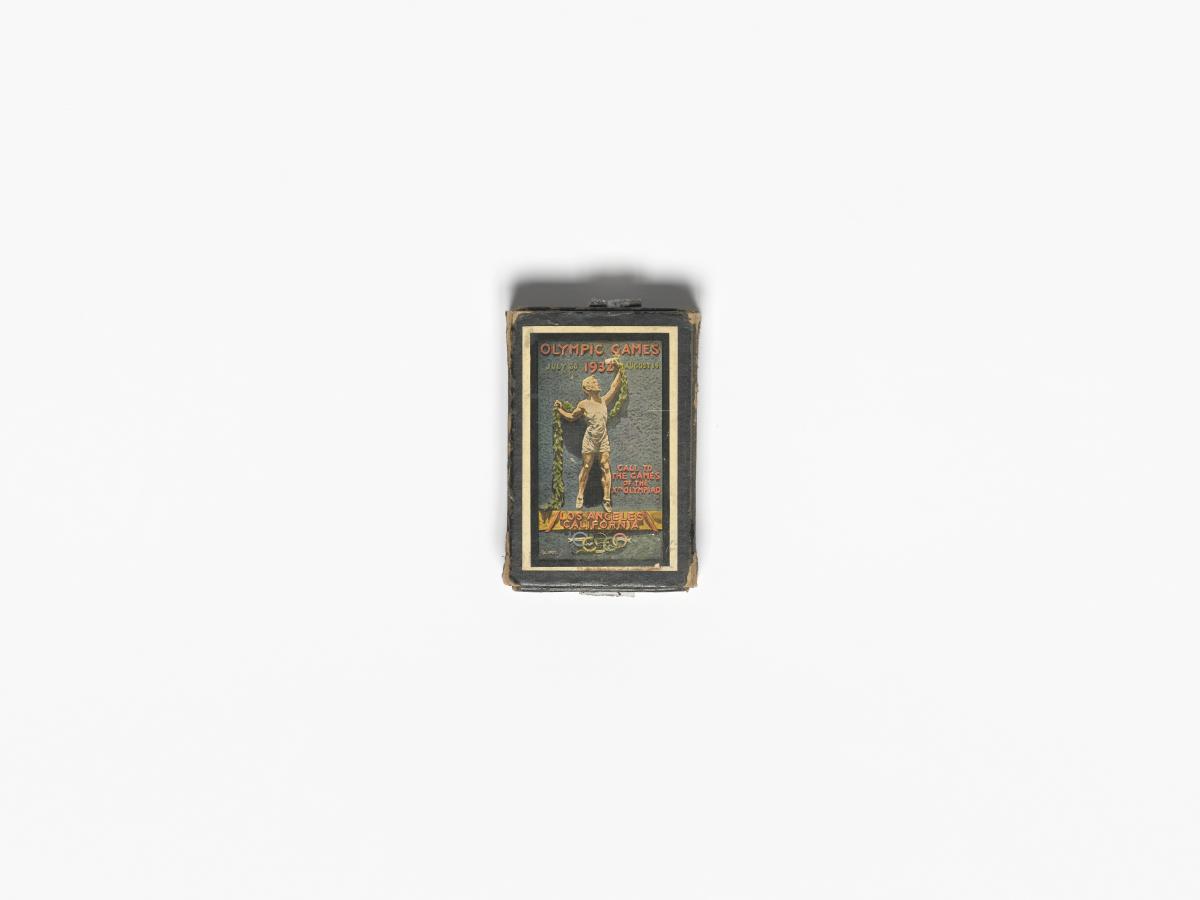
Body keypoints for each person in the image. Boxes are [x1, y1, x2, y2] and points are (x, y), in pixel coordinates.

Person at [554, 359, 623, 512]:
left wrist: (619, 369)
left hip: (603, 438)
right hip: (590, 439)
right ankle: (580, 495)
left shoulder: (603, 401)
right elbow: (572, 417)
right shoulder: (583, 404)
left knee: (606, 466)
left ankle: (607, 499)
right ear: (588, 388)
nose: (598, 384)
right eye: (594, 382)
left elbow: (614, 386)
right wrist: (559, 410)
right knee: (586, 466)